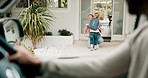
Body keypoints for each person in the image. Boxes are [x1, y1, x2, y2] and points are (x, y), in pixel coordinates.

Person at [8, 0, 148, 78]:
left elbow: (102, 67)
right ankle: (93, 46)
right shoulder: (142, 32)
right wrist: (39, 63)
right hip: (93, 33)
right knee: (92, 41)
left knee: (93, 40)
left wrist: (39, 64)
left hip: (94, 33)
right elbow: (101, 67)